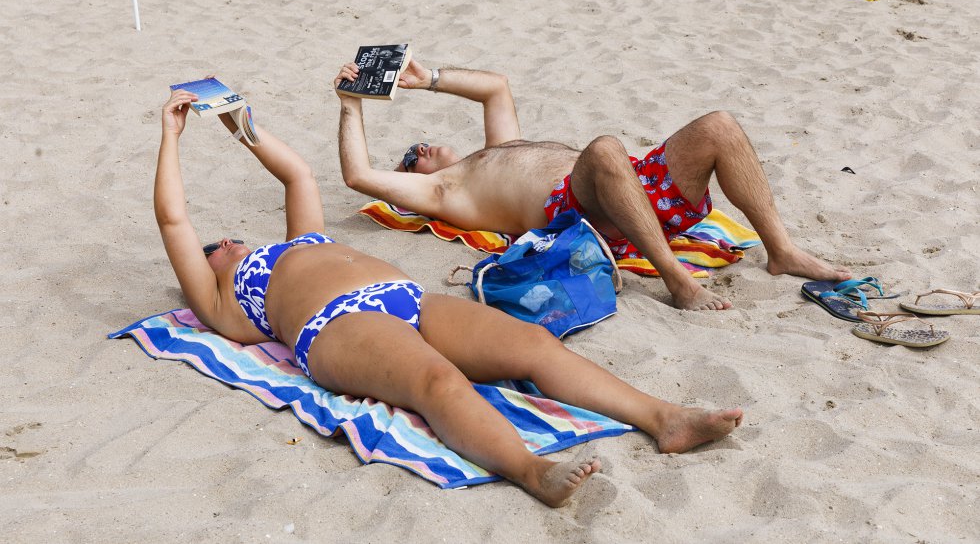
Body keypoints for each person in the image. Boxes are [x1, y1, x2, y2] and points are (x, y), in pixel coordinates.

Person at [155, 88, 743, 507]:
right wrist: (171, 136)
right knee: (436, 383)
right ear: (205, 274)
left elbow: (297, 177)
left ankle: (666, 418)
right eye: (217, 246)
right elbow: (174, 220)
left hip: (407, 297)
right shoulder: (223, 302)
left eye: (229, 236)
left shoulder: (300, 241)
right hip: (338, 325)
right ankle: (531, 471)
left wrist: (239, 122)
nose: (226, 240)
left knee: (533, 346)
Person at [335, 59, 852, 312]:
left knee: (718, 125)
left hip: (630, 192)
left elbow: (496, 88)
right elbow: (358, 175)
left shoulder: (495, 151)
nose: (420, 149)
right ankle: (677, 281)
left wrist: (429, 80)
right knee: (604, 146)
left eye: (420, 142)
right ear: (412, 181)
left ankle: (781, 250)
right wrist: (350, 103)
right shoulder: (444, 191)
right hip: (578, 219)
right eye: (411, 158)